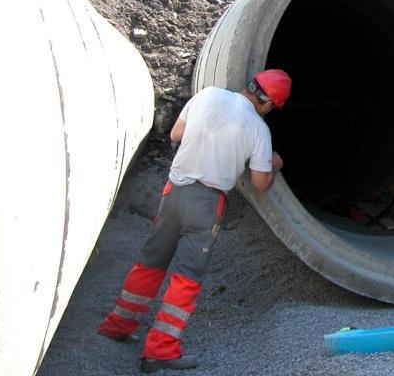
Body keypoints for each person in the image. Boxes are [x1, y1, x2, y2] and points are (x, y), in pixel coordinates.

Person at [97, 69, 292, 372]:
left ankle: (118, 325)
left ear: (250, 84)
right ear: (268, 105)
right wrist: (274, 166)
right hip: (206, 203)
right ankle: (160, 349)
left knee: (151, 261)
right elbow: (259, 183)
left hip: (174, 191)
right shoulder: (258, 129)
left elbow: (175, 134)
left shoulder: (207, 95)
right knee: (187, 276)